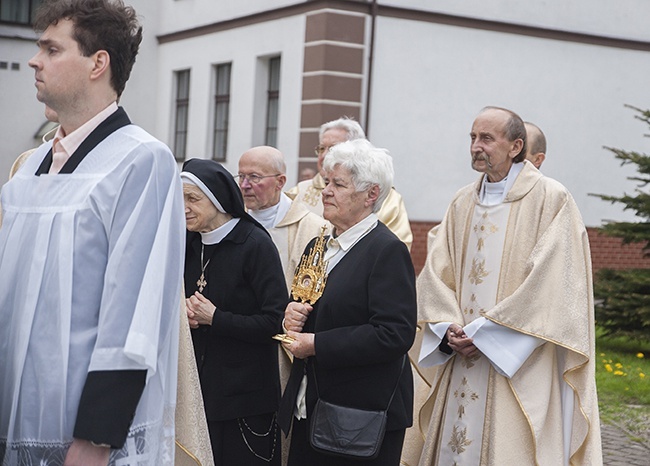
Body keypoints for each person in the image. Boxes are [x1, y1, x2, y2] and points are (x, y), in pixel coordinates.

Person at [0, 1, 186, 465]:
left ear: (97, 63)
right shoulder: (29, 171)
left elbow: (135, 308)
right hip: (12, 416)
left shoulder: (141, 160)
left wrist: (96, 436)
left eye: (50, 48)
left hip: (82, 437)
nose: (33, 60)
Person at [409, 107, 601, 465]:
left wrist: (485, 334)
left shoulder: (551, 198)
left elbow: (552, 281)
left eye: (486, 138)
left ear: (515, 146)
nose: (475, 147)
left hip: (518, 363)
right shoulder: (462, 201)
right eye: (472, 137)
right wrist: (446, 324)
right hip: (459, 353)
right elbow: (437, 269)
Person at [278, 139, 417, 465]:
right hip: (309, 407)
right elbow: (305, 307)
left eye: (338, 184)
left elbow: (393, 334)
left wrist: (316, 344)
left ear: (371, 194)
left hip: (359, 418)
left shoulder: (386, 250)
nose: (326, 191)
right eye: (327, 182)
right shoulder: (318, 246)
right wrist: (290, 315)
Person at [181, 158, 288, 466]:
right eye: (180, 199)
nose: (184, 207)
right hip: (198, 394)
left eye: (192, 199)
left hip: (245, 399)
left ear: (217, 199)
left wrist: (216, 318)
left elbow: (275, 321)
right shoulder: (189, 242)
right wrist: (184, 315)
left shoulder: (254, 244)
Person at [287, 117, 413, 249]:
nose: (324, 155)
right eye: (321, 148)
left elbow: (393, 248)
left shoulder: (388, 199)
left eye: (333, 148)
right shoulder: (298, 192)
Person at [238, 146, 326, 287]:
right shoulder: (232, 221)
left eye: (254, 177)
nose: (244, 185)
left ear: (280, 182)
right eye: (241, 176)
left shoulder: (314, 228)